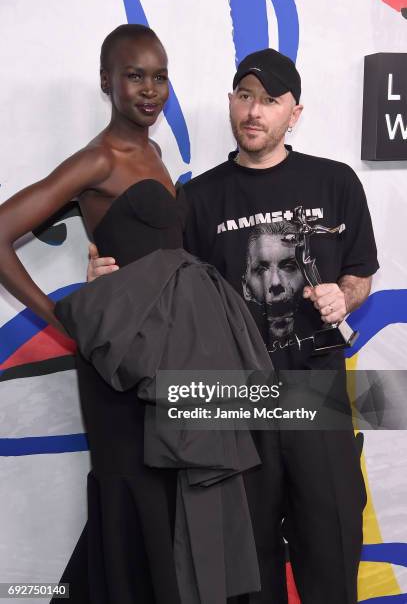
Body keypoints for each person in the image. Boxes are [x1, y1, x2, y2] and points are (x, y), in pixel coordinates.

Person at [89, 48, 379, 604]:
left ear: (294, 113)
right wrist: (108, 278)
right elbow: (164, 292)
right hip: (234, 405)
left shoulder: (336, 182)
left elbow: (361, 271)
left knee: (333, 550)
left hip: (316, 397)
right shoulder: (195, 198)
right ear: (230, 102)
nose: (254, 112)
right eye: (245, 97)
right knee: (247, 568)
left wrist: (344, 297)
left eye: (270, 101)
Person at [0, 23, 187, 604]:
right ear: (107, 81)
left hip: (166, 360)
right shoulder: (98, 160)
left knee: (161, 499)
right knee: (132, 493)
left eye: (159, 77)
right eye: (135, 76)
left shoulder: (154, 152)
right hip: (117, 369)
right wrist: (66, 317)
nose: (150, 90)